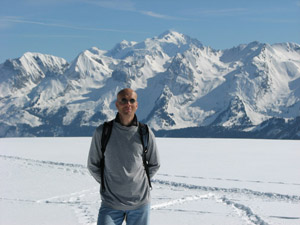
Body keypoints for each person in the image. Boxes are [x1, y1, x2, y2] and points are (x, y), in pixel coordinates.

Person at [87, 88, 160, 225]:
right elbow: (93, 165)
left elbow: (155, 164)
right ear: (117, 104)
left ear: (136, 105)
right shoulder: (102, 132)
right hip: (111, 204)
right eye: (124, 100)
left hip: (140, 204)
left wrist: (139, 181)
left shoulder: (145, 132)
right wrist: (107, 182)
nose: (128, 104)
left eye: (132, 100)